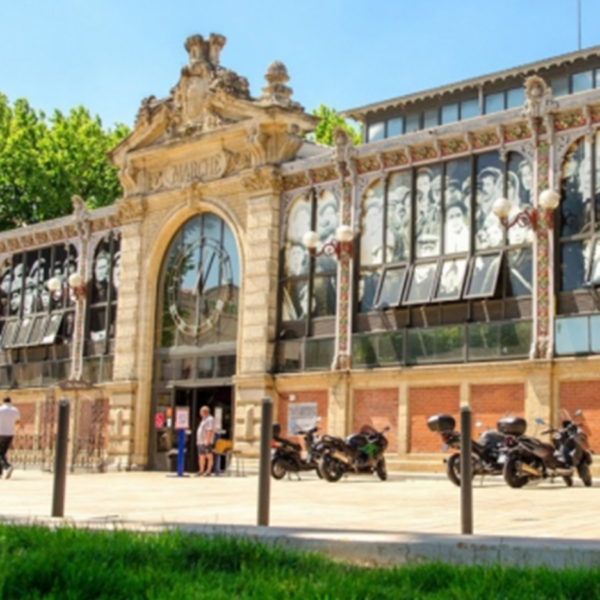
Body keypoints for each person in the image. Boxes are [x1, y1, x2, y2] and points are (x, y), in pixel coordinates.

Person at [0, 396, 21, 479]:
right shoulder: (15, 410)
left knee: (0, 453)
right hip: (10, 433)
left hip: (0, 433)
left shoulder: (1, 409)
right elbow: (18, 422)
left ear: (3, 401)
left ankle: (7, 466)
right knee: (2, 452)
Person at [195, 405, 215, 477]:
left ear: (204, 412)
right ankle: (201, 470)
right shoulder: (203, 419)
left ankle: (208, 471)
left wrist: (208, 440)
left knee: (209, 456)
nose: (200, 413)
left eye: (201, 412)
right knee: (201, 457)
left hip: (205, 441)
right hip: (200, 441)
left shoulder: (210, 419)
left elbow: (209, 430)